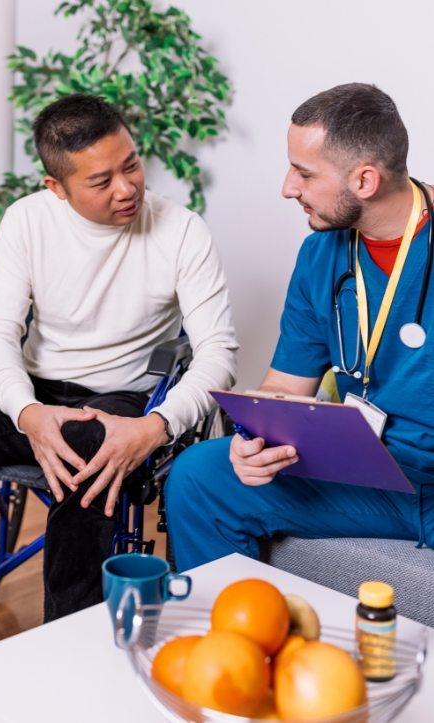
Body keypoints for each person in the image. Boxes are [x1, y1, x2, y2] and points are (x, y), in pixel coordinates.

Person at [0, 93, 237, 714]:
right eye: (102, 180)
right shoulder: (28, 220)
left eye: (132, 164)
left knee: (93, 461)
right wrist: (27, 413)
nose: (127, 187)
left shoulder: (182, 231)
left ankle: (67, 670)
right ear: (57, 186)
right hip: (34, 388)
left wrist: (155, 425)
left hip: (116, 398)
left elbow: (217, 356)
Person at [166, 82, 434, 573]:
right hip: (370, 471)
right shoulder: (320, 256)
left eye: (304, 174)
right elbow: (285, 387)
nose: (288, 187)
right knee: (199, 475)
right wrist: (256, 439)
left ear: (365, 181)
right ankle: (233, 643)